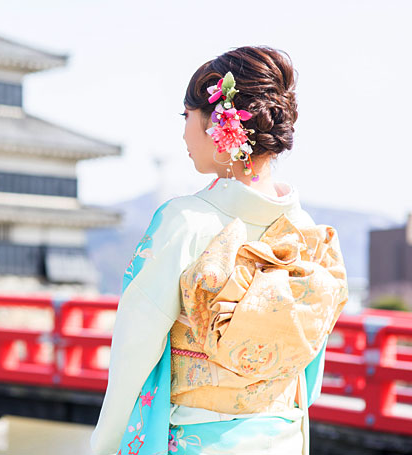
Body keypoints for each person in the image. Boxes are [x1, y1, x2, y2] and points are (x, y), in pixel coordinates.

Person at [90, 45, 349, 455]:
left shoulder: (184, 221)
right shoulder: (308, 233)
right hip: (281, 435)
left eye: (186, 116)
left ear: (219, 123)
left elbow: (134, 352)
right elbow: (307, 364)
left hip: (198, 440)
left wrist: (103, 444)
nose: (182, 132)